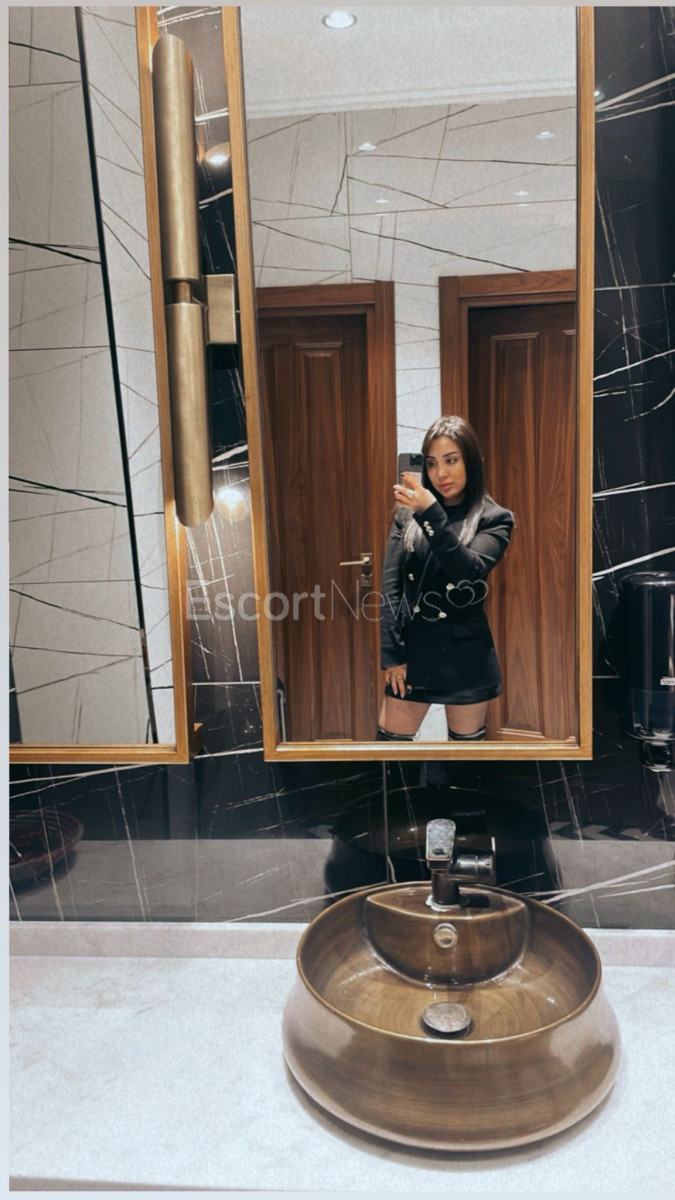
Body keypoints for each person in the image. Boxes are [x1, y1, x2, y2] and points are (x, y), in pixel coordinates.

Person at [377, 415, 515, 743]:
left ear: (471, 462)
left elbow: (467, 572)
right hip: (413, 654)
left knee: (465, 761)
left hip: (465, 657)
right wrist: (393, 655)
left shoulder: (495, 519)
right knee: (391, 752)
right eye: (432, 463)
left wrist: (429, 511)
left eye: (451, 460)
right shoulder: (407, 515)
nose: (441, 473)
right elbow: (391, 588)